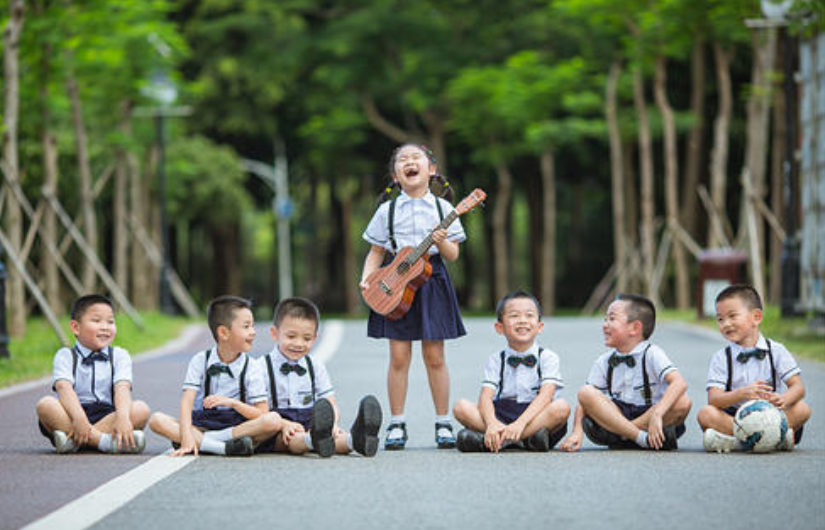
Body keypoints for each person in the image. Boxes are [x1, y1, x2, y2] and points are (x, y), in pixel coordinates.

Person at [359, 144, 466, 450]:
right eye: (402, 160)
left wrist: (442, 241)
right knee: (398, 357)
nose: (409, 162)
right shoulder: (387, 210)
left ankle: (443, 422)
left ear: (431, 170)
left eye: (415, 158)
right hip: (394, 282)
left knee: (435, 356)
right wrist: (367, 278)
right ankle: (397, 423)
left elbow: (453, 254)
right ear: (396, 175)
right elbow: (376, 252)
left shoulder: (444, 209)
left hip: (432, 279)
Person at [148, 296, 282, 456]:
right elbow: (187, 402)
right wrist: (186, 433)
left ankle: (206, 441)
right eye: (246, 326)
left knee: (273, 420)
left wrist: (233, 404)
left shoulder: (251, 366)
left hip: (237, 426)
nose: (253, 332)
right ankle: (223, 448)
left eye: (252, 326)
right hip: (202, 423)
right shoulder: (200, 360)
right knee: (156, 420)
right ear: (223, 332)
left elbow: (262, 413)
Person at [561, 294, 691, 452]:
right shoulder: (604, 361)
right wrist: (577, 432)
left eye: (612, 319)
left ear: (635, 328)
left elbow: (679, 383)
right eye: (605, 319)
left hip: (650, 413)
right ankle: (640, 437)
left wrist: (657, 413)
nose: (605, 325)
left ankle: (620, 435)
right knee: (586, 392)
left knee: (683, 402)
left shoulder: (652, 353)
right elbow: (585, 402)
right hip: (618, 413)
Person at [257, 297, 382, 457]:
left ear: (314, 338)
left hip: (313, 422)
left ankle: (357, 440)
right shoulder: (260, 367)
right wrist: (284, 424)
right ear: (275, 333)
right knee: (294, 439)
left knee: (335, 438)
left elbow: (330, 403)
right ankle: (314, 440)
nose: (299, 343)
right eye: (291, 336)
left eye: (307, 338)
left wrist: (333, 424)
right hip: (279, 427)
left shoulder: (315, 366)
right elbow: (257, 410)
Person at [698, 284, 811, 452]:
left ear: (756, 317)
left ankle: (738, 442)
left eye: (732, 316)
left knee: (803, 409)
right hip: (736, 417)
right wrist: (741, 393)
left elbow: (798, 387)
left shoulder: (776, 351)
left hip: (772, 416)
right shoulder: (722, 357)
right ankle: (770, 441)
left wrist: (784, 399)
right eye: (720, 319)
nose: (726, 324)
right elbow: (714, 399)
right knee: (705, 414)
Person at [453, 291, 570, 452]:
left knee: (561, 408)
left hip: (534, 417)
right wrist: (492, 423)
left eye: (529, 315)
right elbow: (486, 397)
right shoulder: (496, 359)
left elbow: (546, 395)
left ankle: (498, 441)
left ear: (540, 326)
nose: (522, 321)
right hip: (501, 414)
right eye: (514, 316)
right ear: (499, 327)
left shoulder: (548, 357)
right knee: (461, 407)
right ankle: (523, 440)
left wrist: (520, 424)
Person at [36, 294, 150, 454]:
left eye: (110, 322)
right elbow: (64, 388)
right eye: (96, 321)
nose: (105, 327)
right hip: (71, 414)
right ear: (76, 327)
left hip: (108, 415)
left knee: (140, 410)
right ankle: (105, 442)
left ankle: (73, 441)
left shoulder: (119, 355)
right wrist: (79, 418)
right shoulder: (65, 355)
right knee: (46, 405)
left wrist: (123, 418)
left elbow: (122, 388)